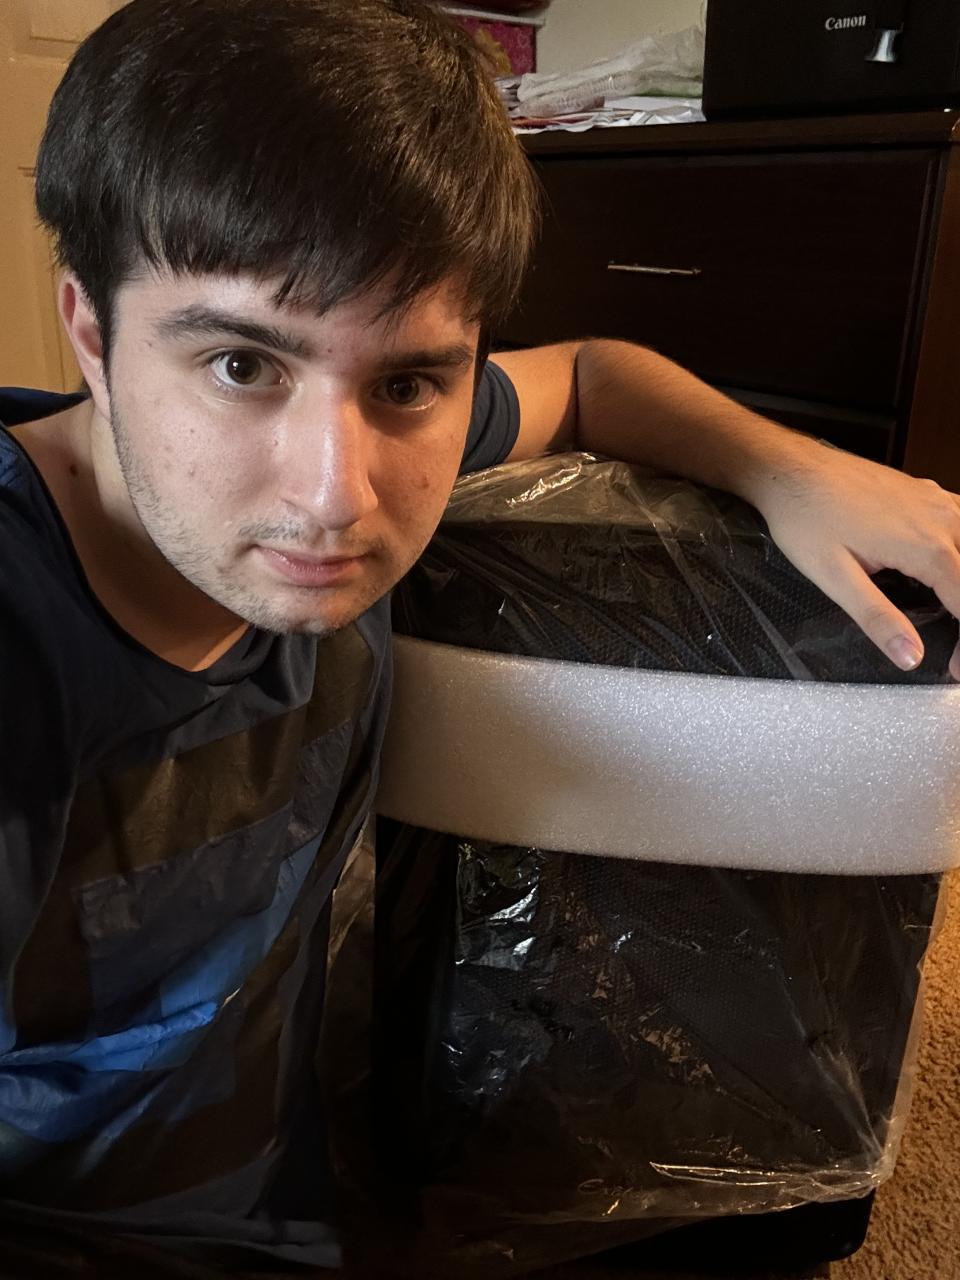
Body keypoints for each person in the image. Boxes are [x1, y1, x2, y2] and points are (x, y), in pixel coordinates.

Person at [1, 0, 958, 1274]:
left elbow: (595, 373)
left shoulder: (352, 460)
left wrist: (795, 471)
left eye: (405, 383)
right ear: (91, 331)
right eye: (241, 366)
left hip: (292, 1195)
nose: (337, 495)